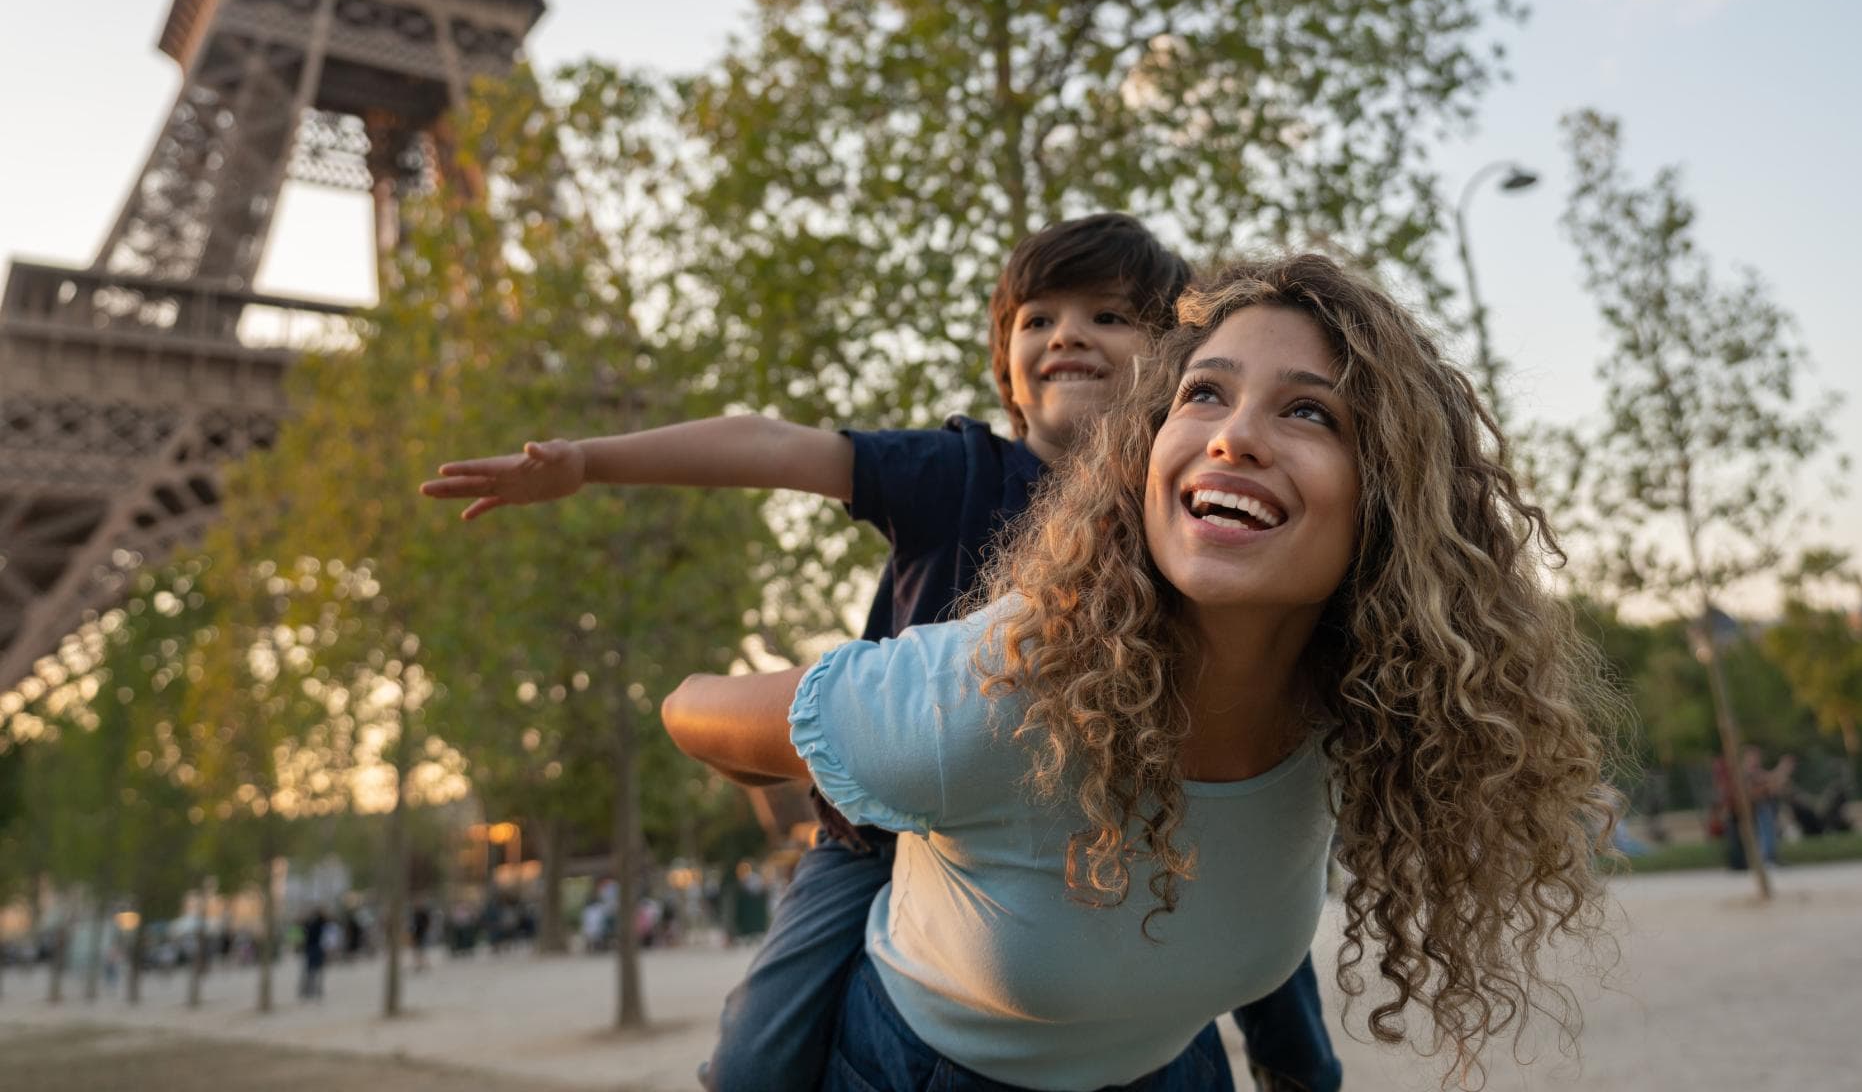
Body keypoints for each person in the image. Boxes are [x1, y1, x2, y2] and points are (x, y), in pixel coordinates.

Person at [423, 216, 1343, 1092]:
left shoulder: (1185, 507)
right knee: (752, 1064)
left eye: (1108, 316)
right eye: (1038, 319)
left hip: (1121, 795)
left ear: (1171, 372)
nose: (1069, 335)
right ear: (1004, 371)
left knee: (1261, 934)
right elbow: (774, 444)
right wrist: (590, 462)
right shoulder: (955, 472)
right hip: (884, 823)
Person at [664, 253, 1620, 1090]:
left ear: (1394, 505)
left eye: (1309, 411)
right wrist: (846, 779)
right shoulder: (994, 694)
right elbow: (689, 711)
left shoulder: (1377, 708)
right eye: (1203, 392)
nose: (1233, 435)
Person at [299, 907, 328, 1000]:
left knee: (312, 971)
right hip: (314, 948)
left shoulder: (317, 924)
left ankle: (312, 989)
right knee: (312, 971)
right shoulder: (314, 924)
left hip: (314, 948)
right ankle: (311, 989)